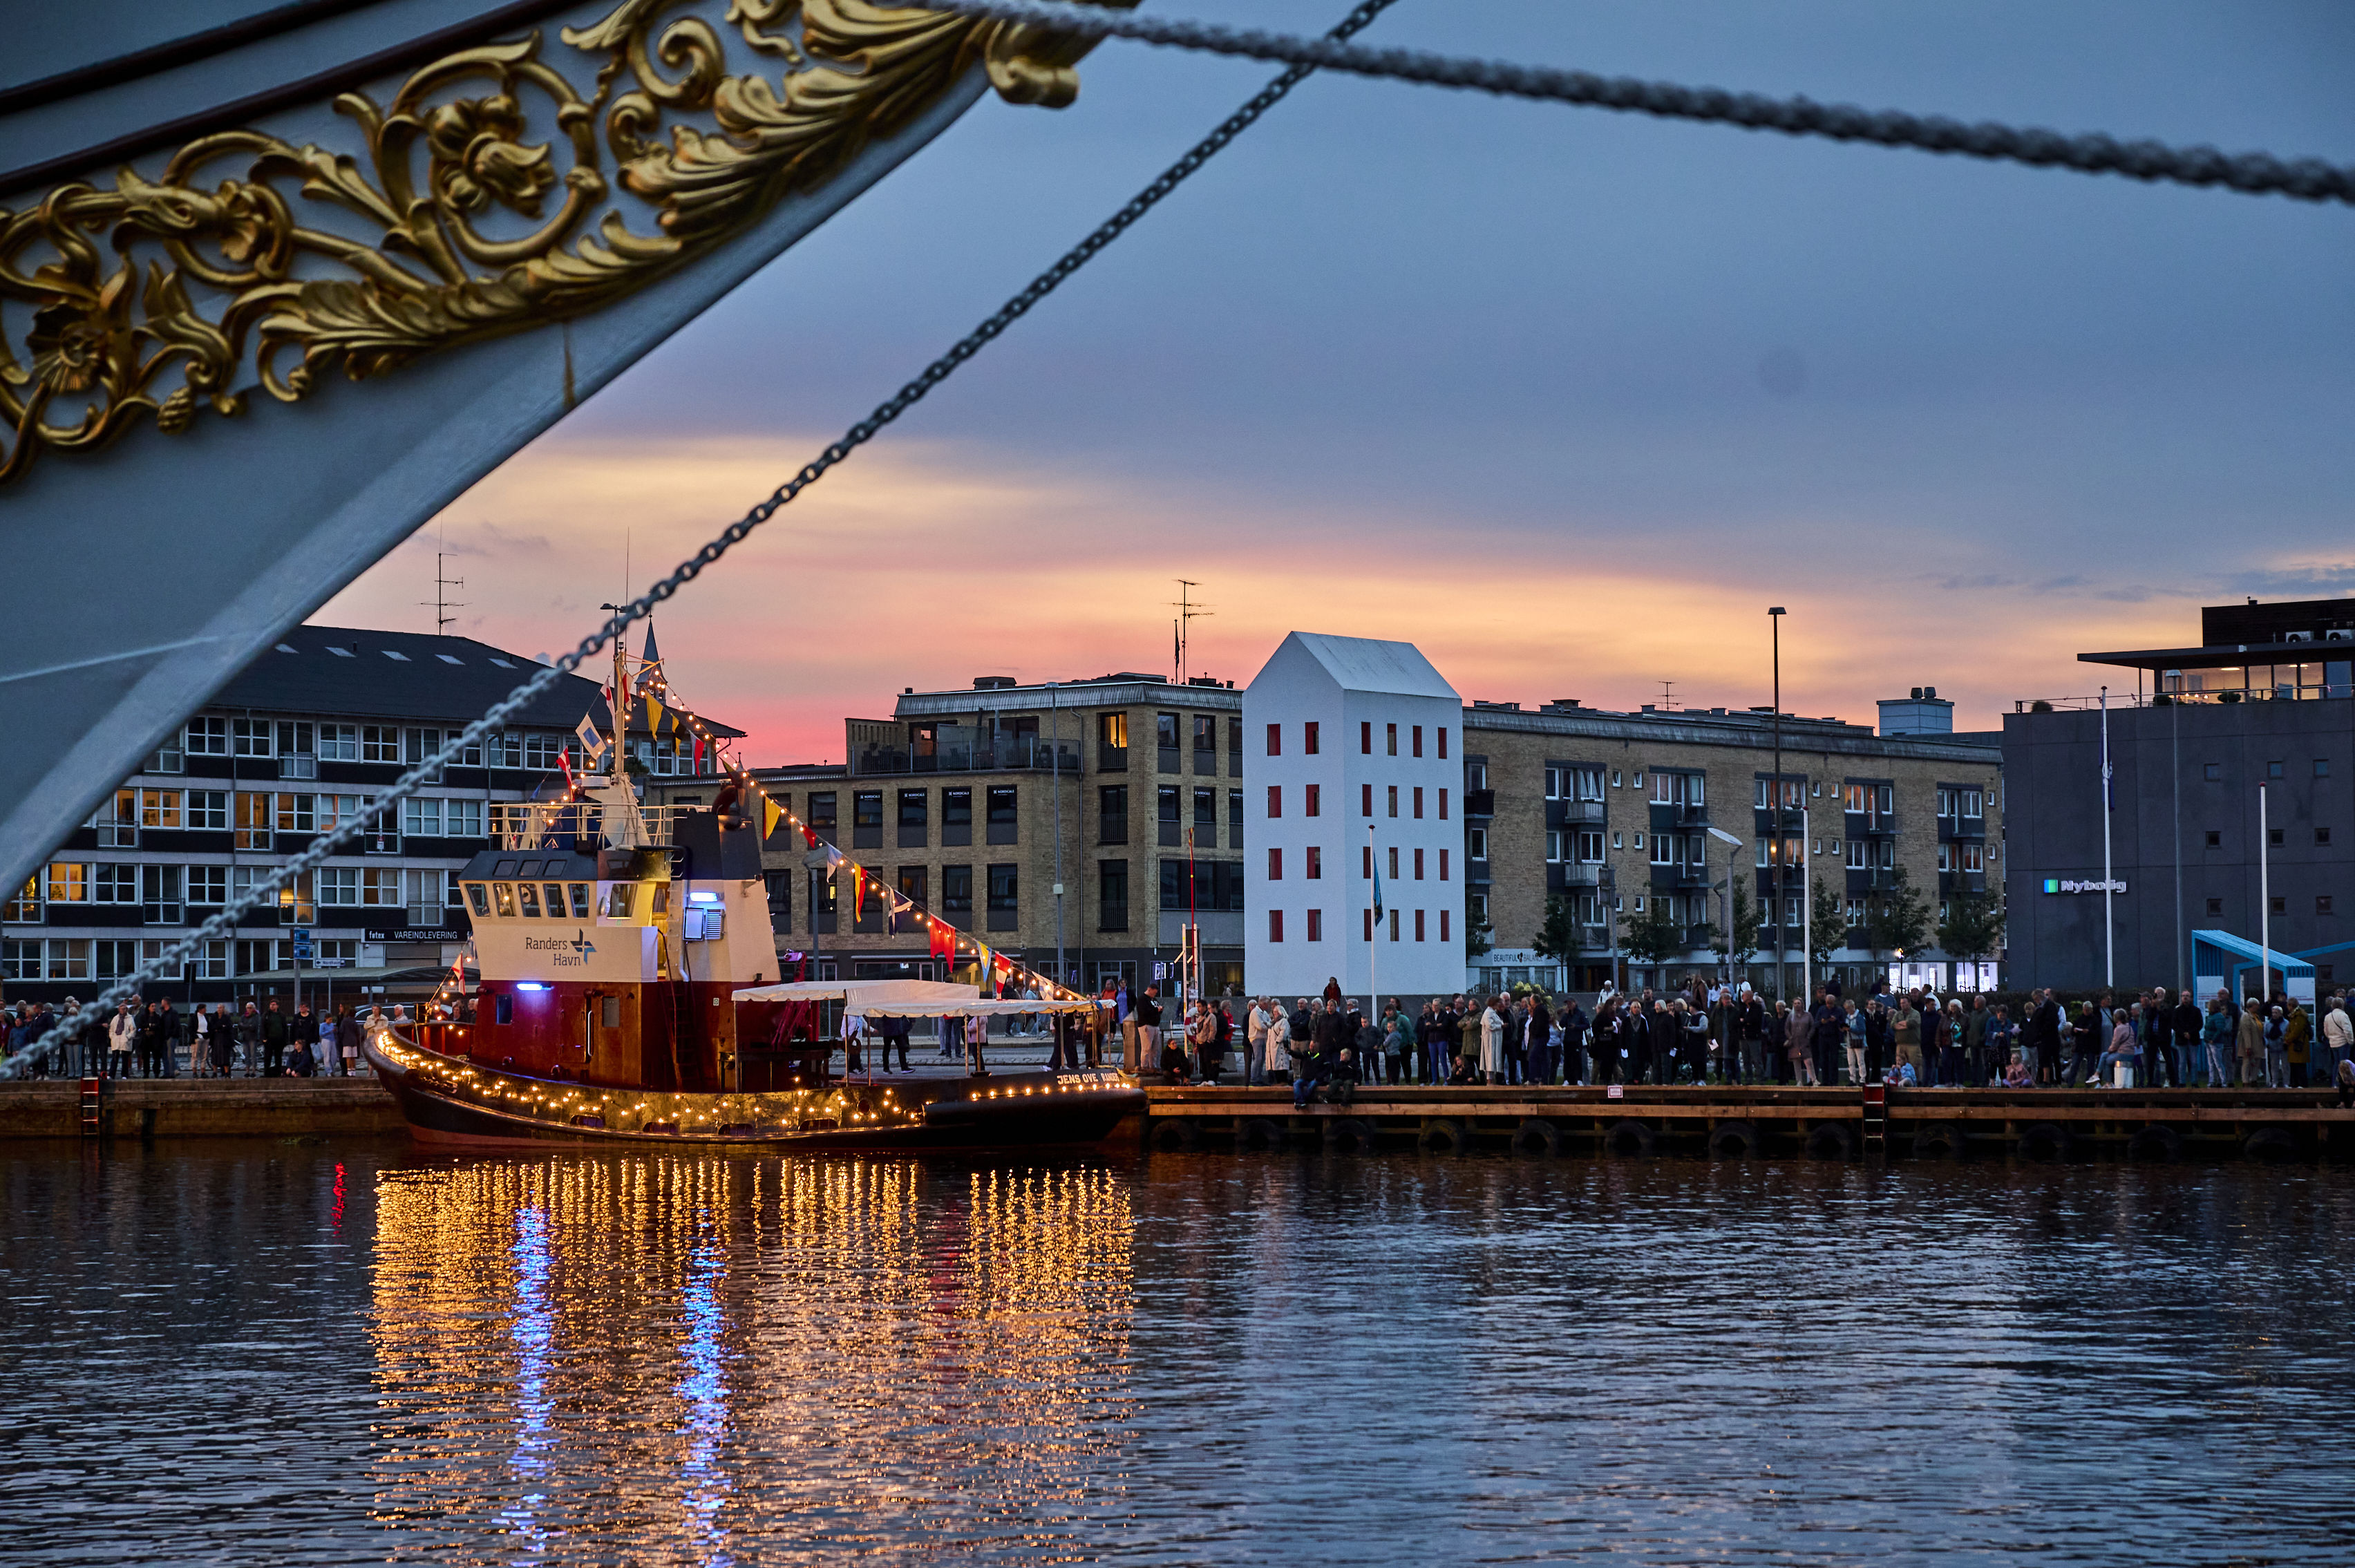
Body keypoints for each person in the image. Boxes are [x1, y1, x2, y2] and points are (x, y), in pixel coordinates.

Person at [2285, 1001, 2312, 1088]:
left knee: (2299, 1066)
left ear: (2291, 1006)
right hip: (2295, 1045)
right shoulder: (2295, 1016)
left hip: (2299, 1044)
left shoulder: (2299, 1016)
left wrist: (2287, 1040)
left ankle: (2301, 1084)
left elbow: (2296, 1031)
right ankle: (2295, 1084)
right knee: (2294, 1066)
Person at [106, 1001, 135, 1078]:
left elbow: (133, 1030)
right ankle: (111, 1074)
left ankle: (124, 1075)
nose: (122, 1011)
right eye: (121, 1009)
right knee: (114, 1058)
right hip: (116, 1040)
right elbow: (111, 1029)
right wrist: (112, 1037)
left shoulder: (130, 1018)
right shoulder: (116, 1018)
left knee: (125, 1059)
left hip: (125, 1041)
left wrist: (127, 1037)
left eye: (124, 1009)